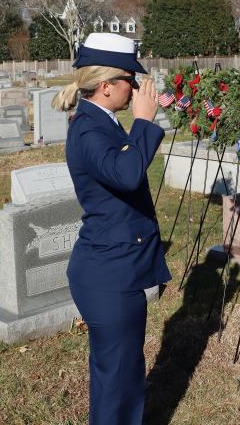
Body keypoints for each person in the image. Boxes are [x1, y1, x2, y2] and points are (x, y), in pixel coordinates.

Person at [52, 32, 171, 424]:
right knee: (117, 381)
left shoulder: (100, 121)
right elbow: (126, 174)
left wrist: (138, 124)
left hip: (115, 266)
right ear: (106, 86)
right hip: (108, 274)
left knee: (119, 377)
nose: (135, 87)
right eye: (129, 80)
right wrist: (143, 121)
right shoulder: (89, 129)